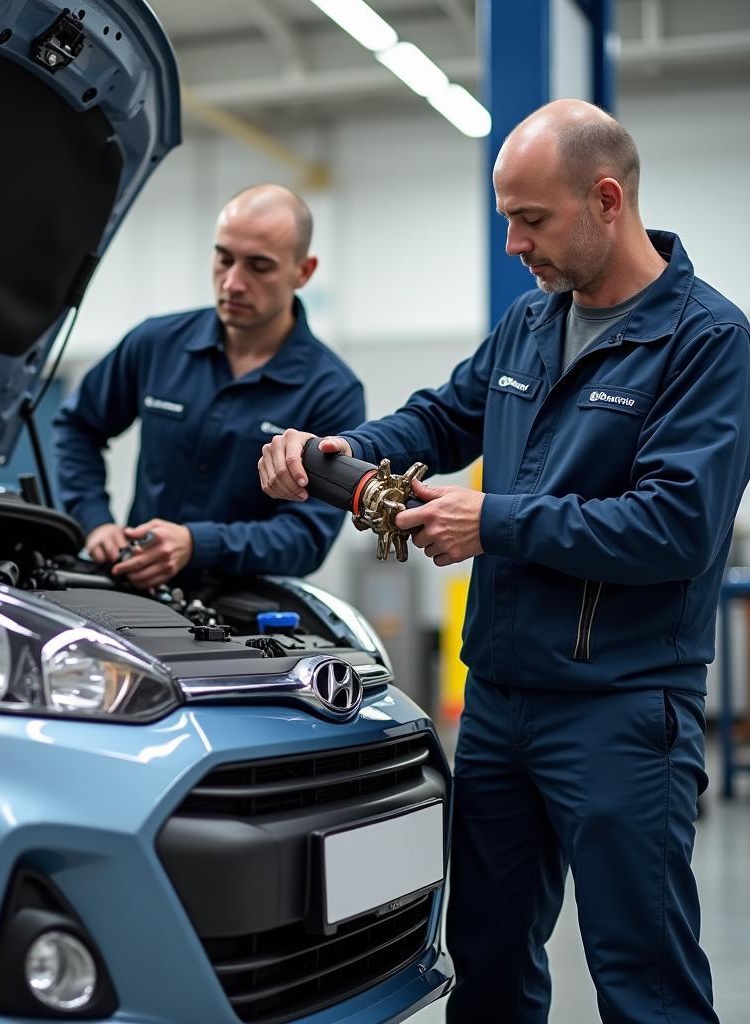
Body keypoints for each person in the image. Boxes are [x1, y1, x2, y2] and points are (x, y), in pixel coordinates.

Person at [259, 99, 750, 1024]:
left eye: (533, 220)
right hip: (498, 706)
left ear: (607, 200)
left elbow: (675, 527)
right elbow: (438, 419)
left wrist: (499, 522)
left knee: (642, 974)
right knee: (484, 958)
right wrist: (333, 449)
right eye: (507, 220)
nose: (516, 244)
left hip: (622, 707)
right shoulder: (531, 324)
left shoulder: (709, 343)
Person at [53, 184, 365, 589]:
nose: (233, 283)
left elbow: (306, 537)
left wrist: (196, 544)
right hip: (136, 593)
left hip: (243, 618)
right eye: (223, 259)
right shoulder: (155, 344)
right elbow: (77, 427)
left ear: (302, 272)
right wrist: (94, 521)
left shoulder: (331, 390)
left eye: (259, 266)